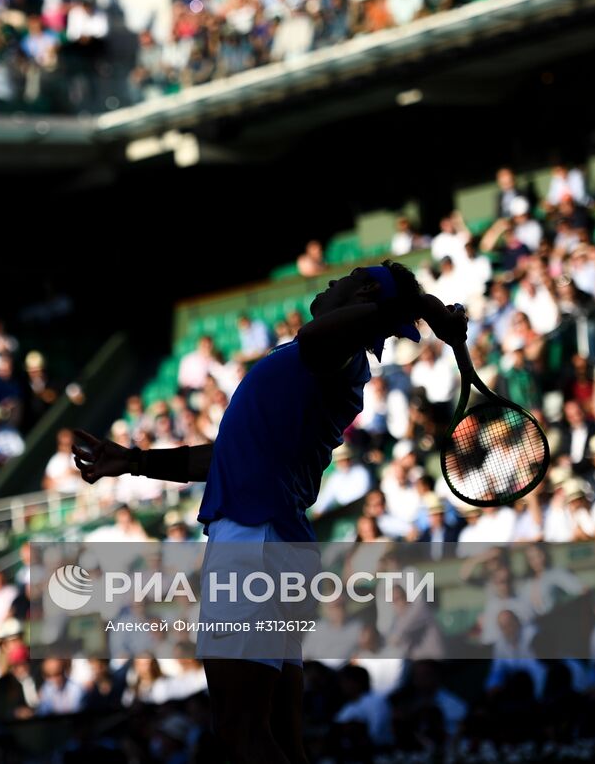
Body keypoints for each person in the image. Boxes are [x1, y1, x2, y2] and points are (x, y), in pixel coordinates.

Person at [74, 262, 466, 764]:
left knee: (241, 732)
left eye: (344, 279)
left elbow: (317, 332)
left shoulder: (328, 352)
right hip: (277, 544)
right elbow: (224, 456)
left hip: (253, 543)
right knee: (281, 739)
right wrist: (134, 462)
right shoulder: (325, 363)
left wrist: (425, 307)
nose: (329, 283)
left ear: (366, 291)